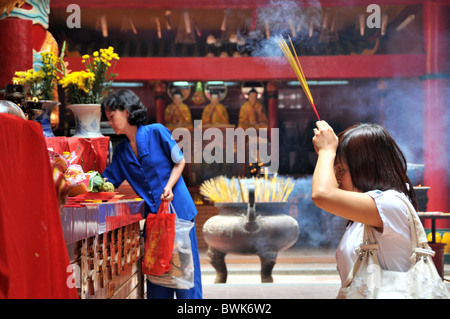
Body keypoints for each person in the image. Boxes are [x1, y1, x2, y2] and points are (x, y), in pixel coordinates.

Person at [101, 89, 202, 299]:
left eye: (112, 116)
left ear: (127, 112)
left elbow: (180, 161)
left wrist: (169, 186)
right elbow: (106, 182)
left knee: (185, 280)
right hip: (154, 222)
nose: (109, 122)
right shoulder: (121, 152)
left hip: (179, 215)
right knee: (158, 280)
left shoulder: (157, 131)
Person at [311, 121, 418, 286]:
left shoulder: (390, 204)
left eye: (341, 170)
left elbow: (322, 194)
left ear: (366, 168)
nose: (336, 178)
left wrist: (326, 151)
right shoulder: (363, 217)